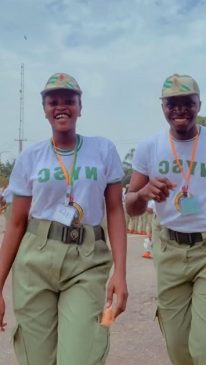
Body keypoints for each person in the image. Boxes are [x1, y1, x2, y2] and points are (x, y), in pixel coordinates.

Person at [0, 73, 128, 364]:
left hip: (87, 260)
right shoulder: (31, 158)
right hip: (36, 260)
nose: (61, 107)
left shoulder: (103, 150)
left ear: (80, 107)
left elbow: (115, 211)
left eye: (69, 101)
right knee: (37, 357)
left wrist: (120, 273)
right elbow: (17, 223)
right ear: (44, 109)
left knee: (81, 354)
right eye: (52, 101)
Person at [126, 74, 206, 364]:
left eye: (187, 102)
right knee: (178, 347)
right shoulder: (149, 148)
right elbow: (132, 206)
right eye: (172, 103)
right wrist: (145, 192)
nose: (180, 109)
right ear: (163, 106)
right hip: (169, 250)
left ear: (198, 104)